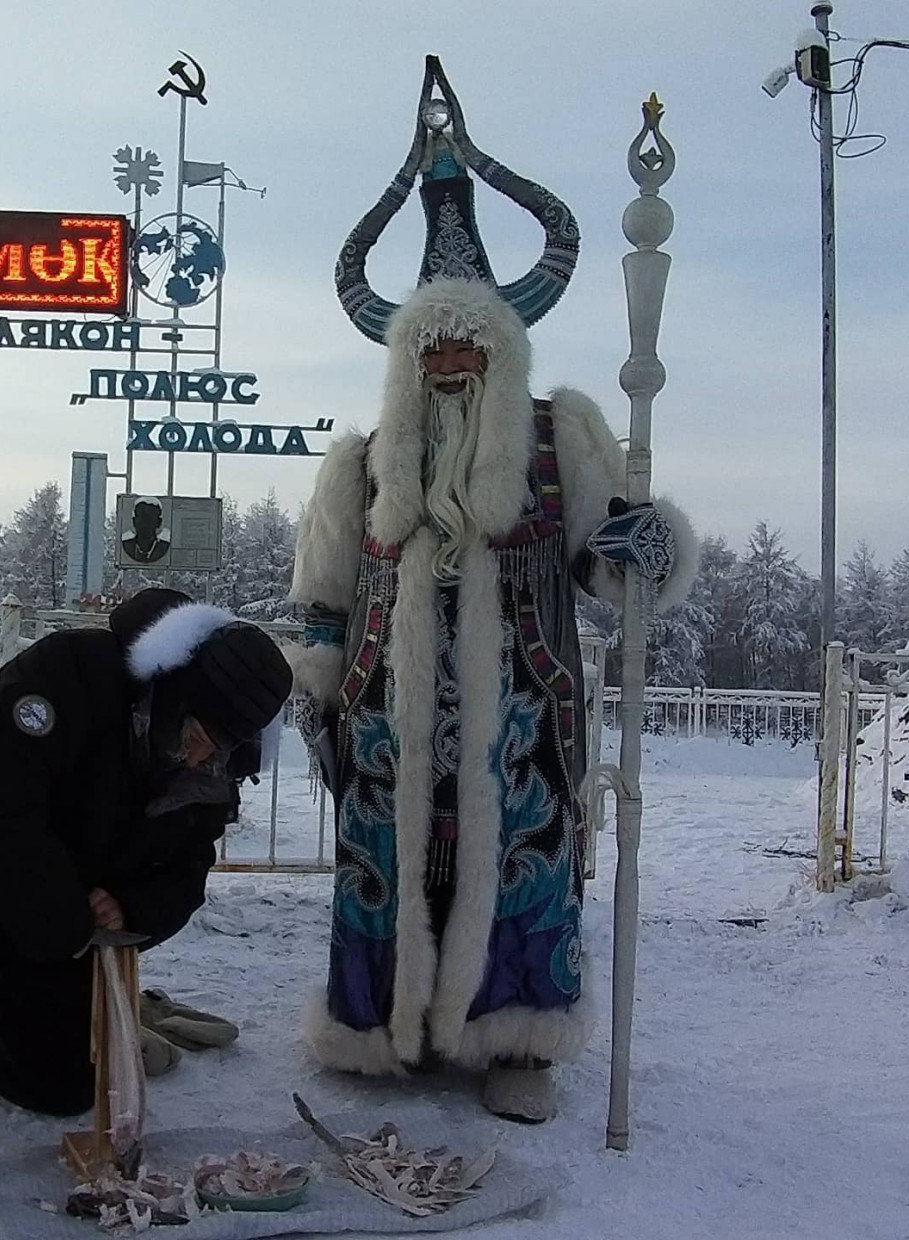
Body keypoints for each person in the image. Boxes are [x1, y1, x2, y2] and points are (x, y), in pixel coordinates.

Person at [289, 58, 698, 1125]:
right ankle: (391, 1029)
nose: (454, 362)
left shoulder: (559, 441)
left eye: (473, 345)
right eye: (433, 349)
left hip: (522, 717)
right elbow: (326, 598)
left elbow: (610, 569)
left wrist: (644, 539)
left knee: (520, 865)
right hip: (386, 718)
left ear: (506, 354)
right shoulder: (364, 465)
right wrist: (316, 685)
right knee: (391, 868)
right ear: (406, 365)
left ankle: (514, 1037)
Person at [0, 588, 292, 1237]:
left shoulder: (207, 770)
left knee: (62, 1083)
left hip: (41, 909)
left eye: (222, 749)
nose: (204, 758)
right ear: (173, 694)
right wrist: (66, 917)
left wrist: (127, 907)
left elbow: (184, 872)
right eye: (199, 736)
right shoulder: (69, 674)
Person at [121, 497, 171, 565]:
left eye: (150, 518)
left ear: (158, 522)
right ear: (134, 521)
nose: (145, 523)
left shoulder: (163, 546)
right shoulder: (127, 544)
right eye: (142, 517)